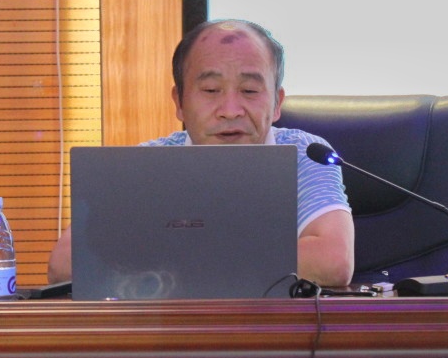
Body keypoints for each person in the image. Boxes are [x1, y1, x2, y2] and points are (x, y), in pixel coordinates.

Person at [47, 18, 355, 287]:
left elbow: (333, 262)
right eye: (210, 91)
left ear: (277, 103)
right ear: (179, 103)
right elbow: (65, 265)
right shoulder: (147, 164)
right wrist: (243, 257)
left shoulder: (305, 154)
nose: (230, 110)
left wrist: (164, 257)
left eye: (249, 91)